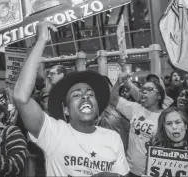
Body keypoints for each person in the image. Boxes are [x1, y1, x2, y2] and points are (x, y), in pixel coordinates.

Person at [13, 22, 129, 177]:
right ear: (66, 110)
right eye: (76, 95)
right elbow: (21, 98)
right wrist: (41, 41)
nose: (85, 96)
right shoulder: (54, 132)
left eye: (90, 94)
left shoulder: (113, 138)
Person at [109, 72, 165, 177]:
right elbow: (113, 99)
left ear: (159, 96)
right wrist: (118, 82)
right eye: (143, 89)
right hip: (129, 170)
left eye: (149, 89)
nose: (144, 92)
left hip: (152, 172)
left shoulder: (165, 116)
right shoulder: (135, 108)